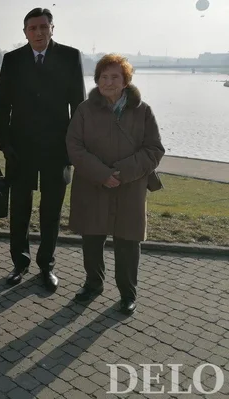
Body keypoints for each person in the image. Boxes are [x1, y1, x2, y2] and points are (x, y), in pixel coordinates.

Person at [0, 7, 85, 292]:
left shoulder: (70, 57)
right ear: (25, 32)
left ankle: (47, 266)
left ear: (52, 28)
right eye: (32, 28)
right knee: (19, 209)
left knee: (51, 212)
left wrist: (73, 150)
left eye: (43, 27)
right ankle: (19, 264)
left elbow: (78, 107)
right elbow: (1, 107)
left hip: (57, 151)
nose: (38, 32)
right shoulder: (12, 60)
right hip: (20, 151)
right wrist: (6, 145)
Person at [66, 54, 164, 315]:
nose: (108, 82)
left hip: (130, 187)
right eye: (103, 77)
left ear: (126, 81)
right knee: (92, 238)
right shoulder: (85, 109)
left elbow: (154, 149)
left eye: (115, 77)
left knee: (128, 243)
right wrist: (101, 174)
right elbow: (74, 147)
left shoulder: (143, 111)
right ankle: (93, 284)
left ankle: (128, 293)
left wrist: (121, 174)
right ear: (97, 80)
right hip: (92, 185)